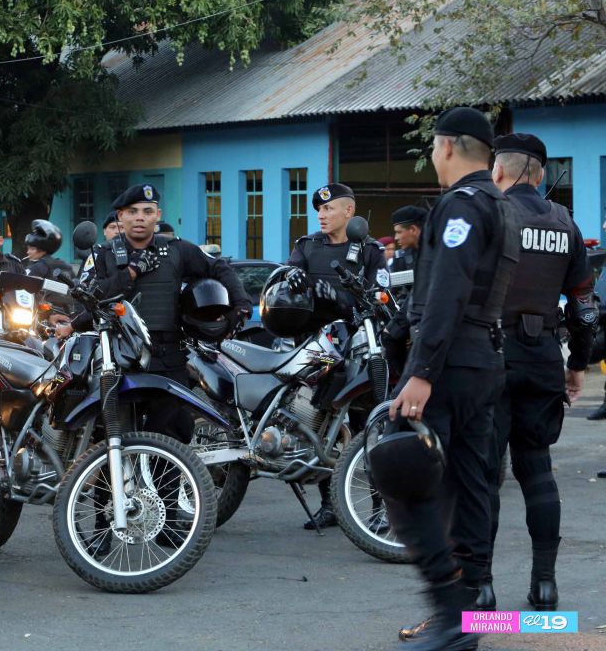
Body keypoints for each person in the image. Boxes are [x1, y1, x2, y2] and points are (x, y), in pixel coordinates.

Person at [384, 107, 518, 650]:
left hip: (449, 363)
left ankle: (450, 610)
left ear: (445, 147)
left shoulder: (461, 205)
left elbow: (448, 293)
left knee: (401, 471)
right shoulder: (501, 204)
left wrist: (420, 373)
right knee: (469, 482)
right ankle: (473, 608)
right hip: (484, 359)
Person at [479, 133, 595, 613]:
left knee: (483, 475)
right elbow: (585, 309)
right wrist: (577, 364)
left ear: (498, 171)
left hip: (488, 358)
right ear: (541, 174)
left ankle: (481, 589)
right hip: (543, 357)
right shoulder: (565, 223)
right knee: (537, 470)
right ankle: (545, 586)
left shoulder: (487, 216)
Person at [76, 183, 250, 443]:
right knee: (113, 438)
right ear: (121, 216)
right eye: (132, 212)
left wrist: (241, 305)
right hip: (119, 359)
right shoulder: (103, 254)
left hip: (168, 360)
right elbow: (89, 297)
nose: (140, 218)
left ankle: (168, 472)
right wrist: (130, 273)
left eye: (147, 211)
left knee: (173, 436)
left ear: (157, 215)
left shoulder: (176, 250)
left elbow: (219, 268)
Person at [282, 182, 388, 530]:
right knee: (318, 428)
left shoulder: (370, 251)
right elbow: (290, 274)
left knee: (367, 427)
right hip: (317, 352)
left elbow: (380, 299)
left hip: (358, 350)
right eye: (319, 209)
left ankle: (381, 507)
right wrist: (293, 278)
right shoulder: (307, 246)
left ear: (349, 212)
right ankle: (329, 505)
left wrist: (344, 301)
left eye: (329, 208)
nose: (321, 215)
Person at [382, 205, 428, 381]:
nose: (396, 238)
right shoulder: (409, 254)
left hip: (426, 318)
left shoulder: (433, 253)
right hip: (411, 307)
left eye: (399, 232)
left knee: (390, 337)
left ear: (414, 230)